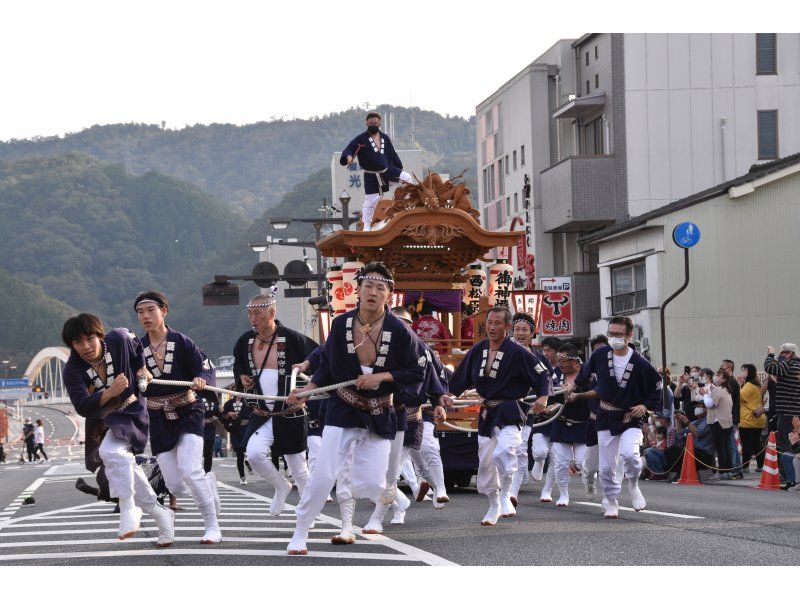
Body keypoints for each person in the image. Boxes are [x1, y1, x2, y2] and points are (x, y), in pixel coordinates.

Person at [285, 262, 426, 555]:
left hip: (378, 411)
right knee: (323, 475)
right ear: (358, 290)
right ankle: (300, 531)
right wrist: (308, 391)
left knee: (372, 482)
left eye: (380, 288)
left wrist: (383, 376)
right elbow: (328, 367)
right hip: (344, 407)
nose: (373, 293)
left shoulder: (400, 332)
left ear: (389, 295)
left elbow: (415, 371)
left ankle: (388, 501)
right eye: (368, 286)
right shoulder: (340, 324)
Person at [61, 314, 175, 546]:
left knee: (111, 453)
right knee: (126, 464)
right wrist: (110, 392)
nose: (85, 347)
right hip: (102, 421)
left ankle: (128, 510)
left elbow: (137, 347)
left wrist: (142, 368)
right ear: (71, 345)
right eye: (77, 342)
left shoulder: (119, 338)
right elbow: (82, 406)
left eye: (89, 339)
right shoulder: (72, 369)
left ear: (100, 335)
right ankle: (161, 514)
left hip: (131, 410)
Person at [448, 306, 551, 524]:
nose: (492, 327)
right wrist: (448, 395)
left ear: (507, 327)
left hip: (511, 409)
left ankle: (506, 494)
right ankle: (494, 503)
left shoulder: (519, 352)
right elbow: (461, 377)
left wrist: (543, 397)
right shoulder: (478, 350)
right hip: (487, 412)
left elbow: (543, 374)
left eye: (497, 323)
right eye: (489, 323)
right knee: (486, 463)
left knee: (505, 450)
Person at [135, 291, 221, 544]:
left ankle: (212, 526)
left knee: (190, 468)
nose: (146, 316)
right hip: (158, 417)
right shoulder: (137, 349)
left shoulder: (183, 342)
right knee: (175, 485)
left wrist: (201, 380)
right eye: (140, 312)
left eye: (151, 310)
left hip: (188, 411)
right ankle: (208, 483)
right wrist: (140, 376)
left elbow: (205, 368)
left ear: (164, 311)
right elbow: (131, 381)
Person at [362, 306, 450, 533]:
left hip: (409, 418)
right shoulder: (374, 347)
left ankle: (378, 518)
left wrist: (439, 401)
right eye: (396, 321)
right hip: (379, 416)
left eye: (405, 323)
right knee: (375, 472)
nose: (400, 326)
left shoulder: (422, 350)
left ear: (412, 326)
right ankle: (403, 501)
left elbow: (434, 379)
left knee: (390, 471)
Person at [235, 291, 318, 516]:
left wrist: (308, 390)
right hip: (262, 412)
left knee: (298, 468)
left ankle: (309, 513)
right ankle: (281, 485)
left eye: (258, 313)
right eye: (250, 314)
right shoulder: (245, 341)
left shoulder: (294, 339)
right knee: (253, 454)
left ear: (272, 313)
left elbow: (319, 362)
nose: (253, 319)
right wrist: (242, 376)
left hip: (290, 411)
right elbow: (239, 366)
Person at [577, 315, 661, 518]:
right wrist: (572, 389)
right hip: (605, 416)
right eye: (610, 334)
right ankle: (612, 500)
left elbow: (656, 386)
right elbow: (584, 375)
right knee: (606, 468)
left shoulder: (641, 363)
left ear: (629, 335)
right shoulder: (599, 355)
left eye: (618, 334)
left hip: (629, 418)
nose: (613, 338)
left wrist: (645, 406)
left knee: (630, 455)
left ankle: (633, 483)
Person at [339, 112, 414, 231]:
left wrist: (398, 168)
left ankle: (404, 205)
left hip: (386, 170)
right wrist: (348, 157)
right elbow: (349, 149)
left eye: (375, 123)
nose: (373, 124)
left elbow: (392, 154)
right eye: (370, 123)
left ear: (379, 123)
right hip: (371, 175)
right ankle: (366, 227)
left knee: (407, 178)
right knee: (370, 202)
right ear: (366, 123)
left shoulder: (385, 137)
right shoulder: (361, 139)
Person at [507, 311, 552, 504]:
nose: (520, 333)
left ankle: (512, 493)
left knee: (520, 448)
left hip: (526, 409)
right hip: (503, 408)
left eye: (525, 330)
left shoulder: (539, 358)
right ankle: (502, 485)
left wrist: (545, 399)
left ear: (532, 333)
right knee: (502, 451)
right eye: (517, 329)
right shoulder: (503, 352)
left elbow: (548, 381)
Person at [550, 343, 593, 507]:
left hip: (583, 423)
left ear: (575, 360)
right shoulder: (555, 374)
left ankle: (590, 481)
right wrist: (550, 405)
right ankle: (563, 494)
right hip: (561, 423)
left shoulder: (587, 374)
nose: (559, 363)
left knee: (584, 462)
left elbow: (595, 394)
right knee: (560, 463)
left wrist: (577, 395)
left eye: (563, 360)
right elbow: (549, 394)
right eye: (558, 359)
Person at [531, 336, 561, 502]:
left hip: (559, 418)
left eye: (549, 350)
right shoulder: (537, 367)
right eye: (544, 350)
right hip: (539, 419)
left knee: (557, 458)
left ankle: (547, 490)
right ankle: (539, 460)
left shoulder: (564, 370)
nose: (546, 353)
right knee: (540, 451)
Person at [763, 344, 800, 475]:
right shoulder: (796, 366)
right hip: (795, 410)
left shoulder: (788, 364)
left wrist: (771, 354)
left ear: (789, 354)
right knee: (795, 442)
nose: (781, 357)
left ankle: (788, 475)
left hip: (787, 411)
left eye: (782, 354)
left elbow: (769, 367)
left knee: (787, 443)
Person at [701, 367, 734, 480]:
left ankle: (722, 472)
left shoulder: (717, 390)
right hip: (727, 422)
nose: (715, 377)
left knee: (720, 449)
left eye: (718, 375)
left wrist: (705, 394)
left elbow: (709, 404)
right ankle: (728, 471)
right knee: (726, 448)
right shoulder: (727, 390)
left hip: (718, 422)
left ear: (724, 379)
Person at [737, 364, 767, 472]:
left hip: (748, 419)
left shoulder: (749, 385)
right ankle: (760, 465)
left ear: (750, 372)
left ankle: (745, 467)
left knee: (747, 444)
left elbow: (738, 396)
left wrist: (739, 384)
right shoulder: (756, 384)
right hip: (757, 419)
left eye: (744, 370)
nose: (742, 372)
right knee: (756, 443)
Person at [221, 393, 252, 483]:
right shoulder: (228, 403)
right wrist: (229, 414)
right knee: (239, 455)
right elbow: (223, 417)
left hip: (246, 430)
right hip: (235, 430)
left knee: (248, 451)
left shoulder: (248, 402)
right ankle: (242, 477)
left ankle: (248, 462)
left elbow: (254, 415)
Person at [720, 359, 743, 478]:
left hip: (731, 417)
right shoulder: (730, 382)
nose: (720, 370)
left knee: (731, 444)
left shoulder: (731, 382)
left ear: (729, 369)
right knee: (732, 443)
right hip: (729, 416)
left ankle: (735, 469)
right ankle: (737, 470)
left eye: (723, 368)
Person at [199, 389, 221, 473]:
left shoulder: (215, 402)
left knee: (208, 452)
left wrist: (217, 416)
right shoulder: (197, 398)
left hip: (211, 428)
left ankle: (207, 472)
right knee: (198, 451)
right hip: (199, 428)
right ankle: (197, 472)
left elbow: (219, 414)